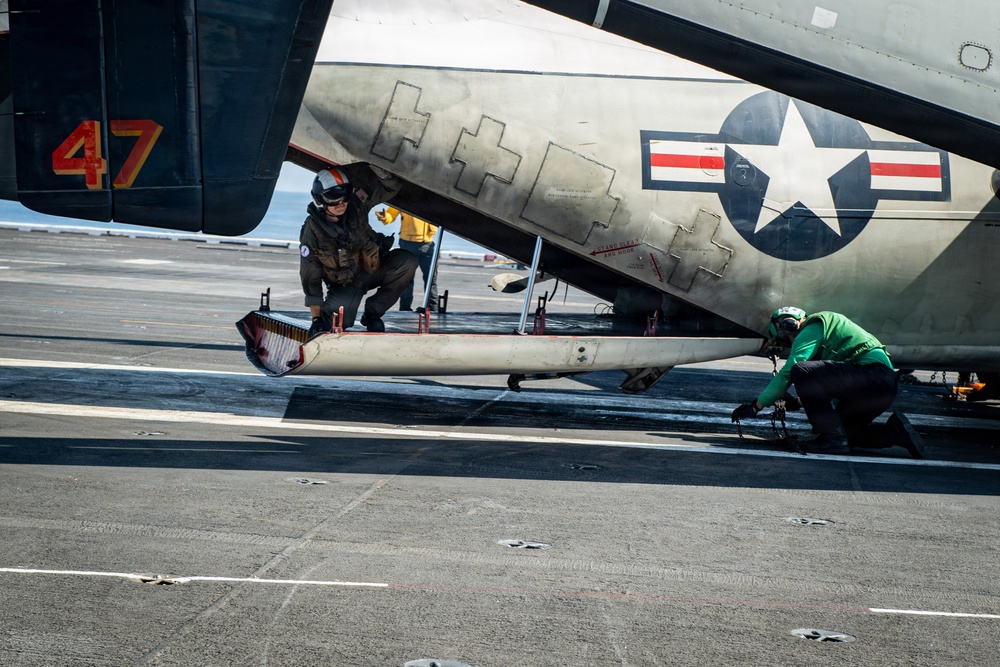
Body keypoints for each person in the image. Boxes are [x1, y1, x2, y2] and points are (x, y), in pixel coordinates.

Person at [731, 306, 920, 457]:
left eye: (785, 338)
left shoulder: (813, 326)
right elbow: (830, 390)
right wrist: (798, 402)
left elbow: (790, 371)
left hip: (873, 378)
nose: (790, 343)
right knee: (845, 433)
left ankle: (832, 439)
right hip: (881, 388)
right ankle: (895, 433)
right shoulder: (827, 337)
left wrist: (756, 406)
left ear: (788, 326)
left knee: (801, 369)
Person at [300, 164, 418, 335]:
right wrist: (316, 319)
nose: (341, 204)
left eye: (345, 197)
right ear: (320, 200)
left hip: (373, 269)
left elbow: (387, 189)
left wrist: (384, 174)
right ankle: (327, 319)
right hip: (346, 284)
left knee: (406, 262)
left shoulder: (356, 205)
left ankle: (373, 314)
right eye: (334, 199)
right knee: (336, 325)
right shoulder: (313, 231)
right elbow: (310, 275)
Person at [375, 206, 439, 311]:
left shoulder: (432, 201)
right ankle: (405, 307)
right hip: (408, 244)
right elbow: (391, 215)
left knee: (431, 278)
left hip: (427, 244)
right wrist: (384, 217)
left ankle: (433, 307)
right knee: (406, 278)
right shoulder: (406, 201)